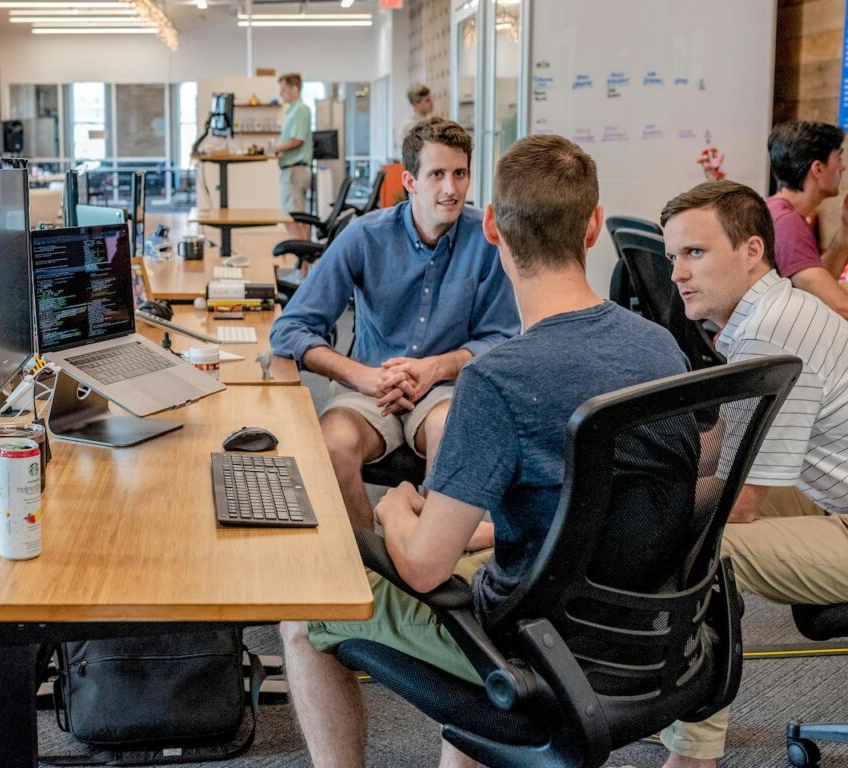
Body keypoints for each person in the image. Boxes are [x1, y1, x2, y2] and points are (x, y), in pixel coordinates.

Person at [279, 134, 695, 768]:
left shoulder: (497, 382)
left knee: (300, 619)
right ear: (594, 227)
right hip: (647, 634)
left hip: (535, 649)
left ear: (495, 227)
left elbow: (421, 569)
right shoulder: (660, 348)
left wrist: (395, 507)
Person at [660, 179, 848, 768]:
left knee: (707, 549)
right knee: (683, 516)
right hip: (844, 498)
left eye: (695, 253)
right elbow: (727, 449)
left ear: (752, 251)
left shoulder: (770, 331)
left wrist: (635, 523)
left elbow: (742, 501)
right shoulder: (773, 311)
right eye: (672, 255)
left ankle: (693, 756)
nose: (677, 272)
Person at [270, 117, 519, 531]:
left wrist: (435, 368)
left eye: (460, 174)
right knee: (332, 445)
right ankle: (371, 562)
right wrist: (361, 376)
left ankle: (426, 561)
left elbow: (503, 339)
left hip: (444, 390)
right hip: (370, 388)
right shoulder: (364, 237)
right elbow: (290, 329)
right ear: (410, 180)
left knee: (452, 436)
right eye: (436, 174)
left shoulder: (488, 240)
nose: (451, 189)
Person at [766, 121, 848, 325]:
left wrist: (847, 231)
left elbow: (817, 288)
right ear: (817, 168)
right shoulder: (787, 224)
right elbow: (840, 306)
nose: (842, 167)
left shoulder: (777, 210)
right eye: (838, 158)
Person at [275, 72, 313, 240]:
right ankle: (303, 263)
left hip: (295, 171)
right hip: (292, 170)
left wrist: (276, 148)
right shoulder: (292, 111)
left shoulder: (300, 110)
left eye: (283, 90)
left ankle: (303, 264)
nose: (280, 94)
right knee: (295, 218)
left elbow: (298, 140)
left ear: (295, 89)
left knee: (293, 219)